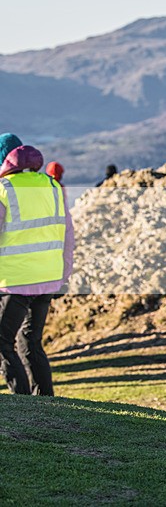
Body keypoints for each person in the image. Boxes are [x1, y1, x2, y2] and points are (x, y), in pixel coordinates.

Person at [0, 143, 74, 395]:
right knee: (31, 341)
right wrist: (63, 275)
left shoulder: (4, 189)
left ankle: (21, 402)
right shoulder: (53, 187)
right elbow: (68, 236)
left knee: (3, 343)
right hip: (48, 278)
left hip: (16, 280)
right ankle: (45, 401)